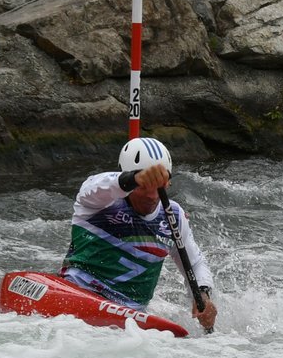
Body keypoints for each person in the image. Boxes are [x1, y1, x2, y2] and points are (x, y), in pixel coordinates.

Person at [61, 137, 218, 331]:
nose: (153, 195)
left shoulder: (174, 216)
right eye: (144, 186)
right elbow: (95, 186)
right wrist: (133, 179)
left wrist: (202, 294)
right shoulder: (99, 202)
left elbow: (195, 263)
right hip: (78, 295)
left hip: (130, 319)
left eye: (159, 186)